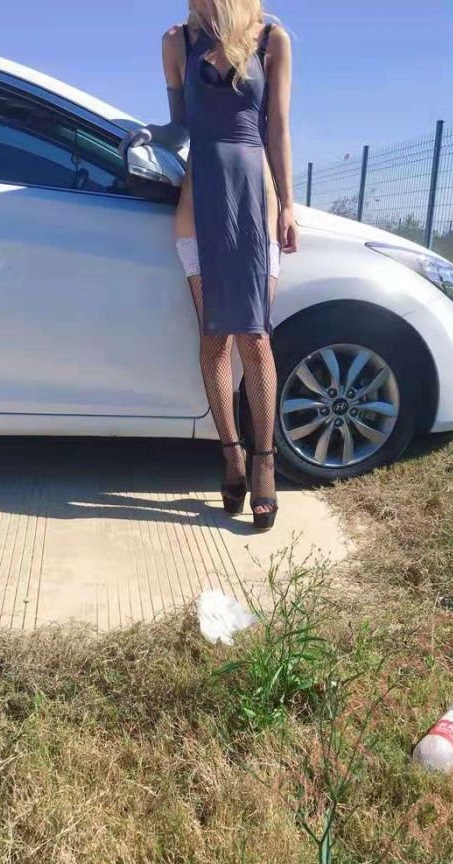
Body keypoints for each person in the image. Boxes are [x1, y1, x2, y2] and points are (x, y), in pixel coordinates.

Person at [120, 1, 297, 530]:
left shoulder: (272, 38)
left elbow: (278, 128)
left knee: (255, 337)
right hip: (198, 203)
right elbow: (181, 129)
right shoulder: (176, 41)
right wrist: (147, 136)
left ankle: (264, 461)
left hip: (255, 198)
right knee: (215, 336)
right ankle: (231, 454)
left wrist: (289, 204)